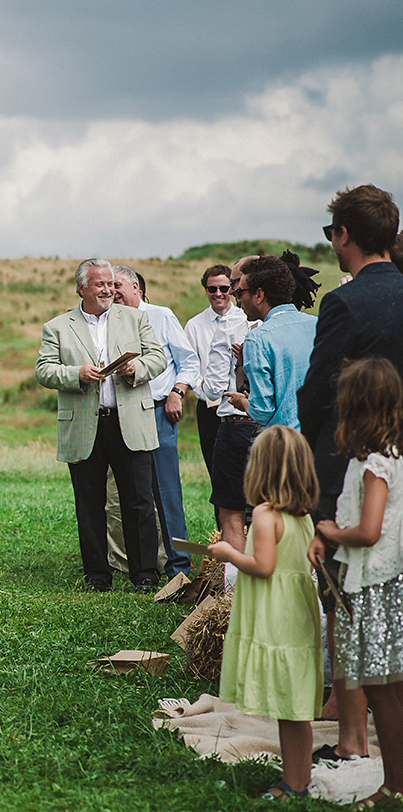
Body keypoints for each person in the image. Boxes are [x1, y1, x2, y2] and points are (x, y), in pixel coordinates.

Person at [298, 185, 402, 762]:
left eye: (331, 233)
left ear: (345, 235)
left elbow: (318, 394)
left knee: (343, 598)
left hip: (347, 465)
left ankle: (352, 735)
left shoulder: (344, 303)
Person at [35, 258, 166, 593]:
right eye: (100, 284)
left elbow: (158, 358)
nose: (108, 290)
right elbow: (44, 370)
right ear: (82, 288)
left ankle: (145, 574)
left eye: (110, 284)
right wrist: (75, 374)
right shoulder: (58, 326)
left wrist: (135, 369)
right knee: (90, 502)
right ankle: (97, 574)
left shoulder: (136, 319)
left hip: (130, 423)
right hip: (84, 426)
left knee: (138, 501)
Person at [308, 359, 403, 806]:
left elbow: (368, 531)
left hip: (375, 583)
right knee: (388, 682)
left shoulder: (376, 464)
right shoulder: (391, 454)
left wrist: (329, 531)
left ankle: (393, 784)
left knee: (381, 685)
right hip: (383, 577)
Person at [209, 425, 321, 801]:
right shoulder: (303, 515)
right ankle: (299, 778)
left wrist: (229, 553)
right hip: (298, 611)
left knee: (289, 710)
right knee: (298, 707)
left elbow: (263, 566)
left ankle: (293, 785)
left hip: (277, 615)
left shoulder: (265, 514)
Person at [111, 266, 197, 577]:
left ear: (136, 286)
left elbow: (189, 361)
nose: (113, 291)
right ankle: (142, 565)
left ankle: (179, 565)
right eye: (108, 285)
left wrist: (177, 392)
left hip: (160, 411)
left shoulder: (161, 316)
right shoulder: (111, 321)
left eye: (117, 285)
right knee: (134, 494)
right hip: (123, 415)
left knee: (167, 492)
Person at [199, 256, 259, 555]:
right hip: (278, 430)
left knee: (232, 513)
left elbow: (212, 388)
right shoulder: (297, 324)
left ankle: (234, 595)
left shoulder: (229, 325)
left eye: (234, 287)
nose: (230, 294)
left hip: (236, 426)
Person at [222, 255, 316, 430]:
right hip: (319, 440)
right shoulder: (317, 324)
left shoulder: (257, 339)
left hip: (285, 443)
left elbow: (262, 411)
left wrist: (242, 402)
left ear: (258, 295)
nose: (237, 299)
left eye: (239, 292)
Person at [184, 265, 243, 483]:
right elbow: (188, 366)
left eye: (223, 288)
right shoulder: (194, 325)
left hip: (241, 408)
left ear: (232, 289)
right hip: (210, 407)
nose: (218, 294)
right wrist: (205, 392)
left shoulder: (246, 318)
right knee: (216, 472)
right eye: (212, 289)